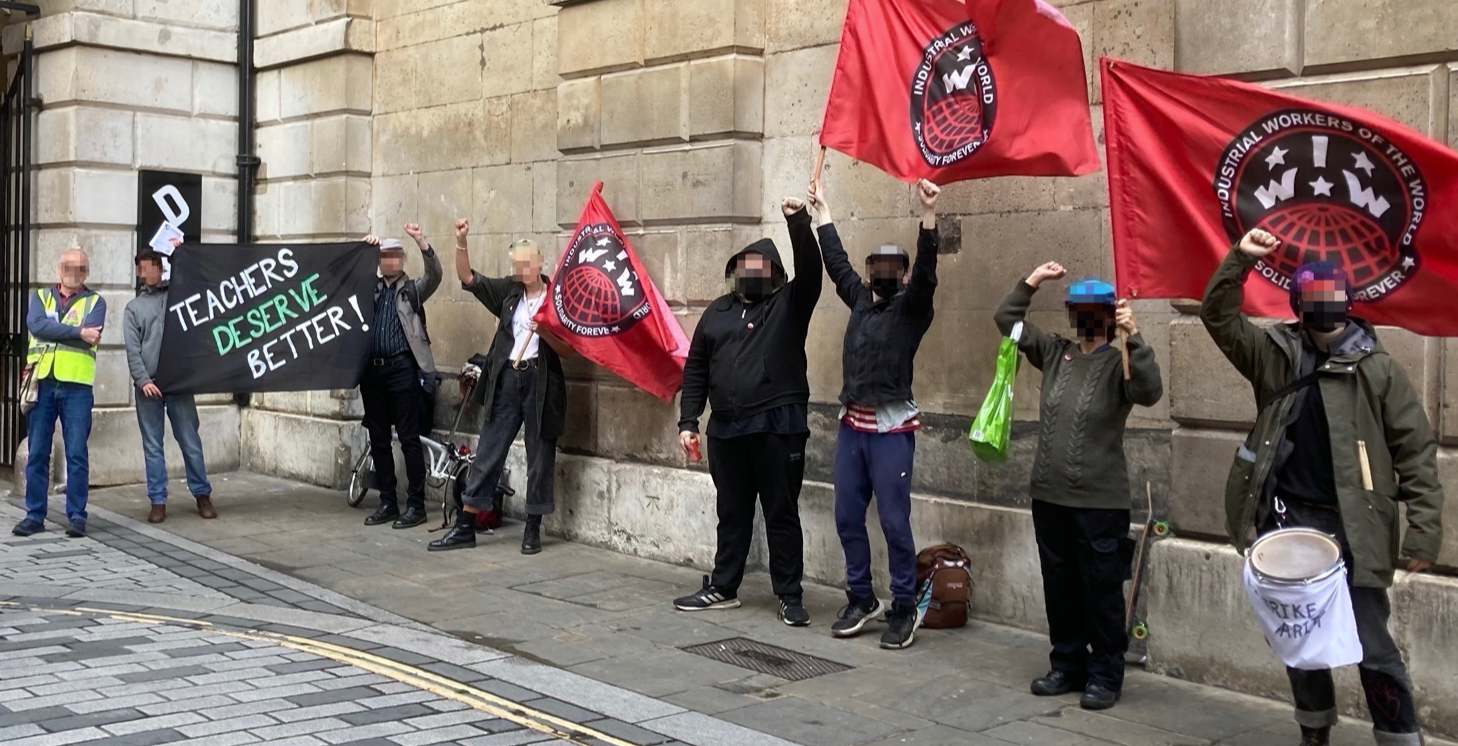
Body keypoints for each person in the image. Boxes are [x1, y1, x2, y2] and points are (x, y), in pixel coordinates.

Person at [1201, 228, 1442, 746]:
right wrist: (1239, 260)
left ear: (1347, 301)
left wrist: (1423, 534)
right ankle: (1315, 730)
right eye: (1312, 298)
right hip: (1291, 522)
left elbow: (1416, 454)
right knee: (1302, 638)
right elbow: (1218, 318)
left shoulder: (1378, 371)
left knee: (1373, 645)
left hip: (1356, 528)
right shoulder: (1273, 355)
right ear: (1299, 303)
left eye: (1331, 296)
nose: (1322, 306)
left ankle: (1399, 736)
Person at [994, 262, 1163, 710]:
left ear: (1108, 315)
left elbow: (1148, 392)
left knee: (1101, 588)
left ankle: (1106, 672)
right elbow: (1006, 321)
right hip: (1049, 495)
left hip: (1100, 502)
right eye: (1079, 309)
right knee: (1060, 586)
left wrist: (1136, 335)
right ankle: (1066, 664)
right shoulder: (1054, 351)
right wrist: (1031, 281)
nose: (1087, 317)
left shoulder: (1119, 362)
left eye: (1096, 310)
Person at [672, 196, 823, 627]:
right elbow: (696, 366)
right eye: (745, 264)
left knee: (781, 511)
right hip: (726, 430)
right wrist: (688, 422)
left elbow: (812, 269)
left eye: (761, 265)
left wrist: (798, 222)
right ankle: (723, 586)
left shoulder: (790, 305)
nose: (751, 272)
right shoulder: (717, 313)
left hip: (778, 426)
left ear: (775, 273)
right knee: (731, 511)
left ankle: (789, 594)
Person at [811, 178, 941, 649]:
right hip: (852, 428)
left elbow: (928, 273)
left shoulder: (911, 311)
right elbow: (836, 264)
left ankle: (904, 605)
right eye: (876, 266)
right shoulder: (861, 300)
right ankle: (861, 597)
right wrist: (823, 211)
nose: (881, 274)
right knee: (847, 514)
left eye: (893, 268)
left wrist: (928, 215)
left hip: (890, 432)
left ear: (902, 276)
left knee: (892, 521)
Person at [430, 220, 574, 554]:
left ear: (539, 262)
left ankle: (533, 528)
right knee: (489, 450)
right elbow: (468, 278)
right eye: (515, 263)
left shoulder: (558, 299)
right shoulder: (509, 292)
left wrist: (546, 331)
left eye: (526, 262)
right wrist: (461, 241)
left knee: (540, 457)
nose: (521, 268)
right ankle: (465, 526)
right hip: (507, 379)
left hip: (541, 384)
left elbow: (569, 351)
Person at [13, 249, 107, 538]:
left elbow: (89, 334)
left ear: (86, 273)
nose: (73, 272)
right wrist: (78, 332)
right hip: (42, 382)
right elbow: (36, 326)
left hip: (76, 387)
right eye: (68, 266)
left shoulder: (96, 302)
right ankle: (34, 515)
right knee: (38, 451)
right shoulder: (40, 297)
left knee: (77, 453)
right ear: (59, 269)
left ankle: (77, 516)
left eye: (79, 268)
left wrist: (58, 331)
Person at [359, 224, 443, 530]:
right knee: (379, 438)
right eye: (383, 256)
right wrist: (363, 249)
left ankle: (416, 505)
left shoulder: (411, 290)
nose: (388, 261)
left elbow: (435, 275)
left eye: (394, 255)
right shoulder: (370, 287)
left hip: (402, 369)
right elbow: (340, 279)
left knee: (409, 439)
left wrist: (423, 241)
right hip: (372, 372)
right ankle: (388, 502)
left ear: (403, 259)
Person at [124, 243, 215, 524]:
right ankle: (158, 501)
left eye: (153, 266)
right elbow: (132, 349)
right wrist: (142, 380)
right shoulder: (133, 308)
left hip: (179, 382)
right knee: (153, 445)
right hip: (149, 386)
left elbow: (204, 283)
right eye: (143, 268)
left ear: (161, 269)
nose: (147, 272)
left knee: (190, 440)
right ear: (139, 272)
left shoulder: (179, 296)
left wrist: (181, 251)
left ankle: (202, 495)